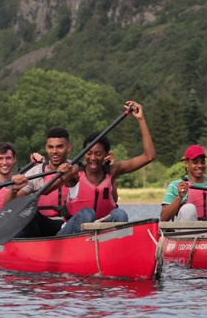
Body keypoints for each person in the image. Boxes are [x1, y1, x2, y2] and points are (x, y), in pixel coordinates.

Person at [54, 100, 155, 235]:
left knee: (120, 214)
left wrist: (141, 119)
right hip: (70, 235)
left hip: (100, 234)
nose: (93, 158)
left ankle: (115, 246)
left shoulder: (113, 170)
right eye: (89, 153)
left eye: (98, 154)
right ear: (84, 153)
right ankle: (83, 248)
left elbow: (149, 156)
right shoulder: (75, 172)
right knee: (87, 213)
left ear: (106, 155)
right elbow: (46, 190)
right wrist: (59, 174)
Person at [4, 127, 74, 237]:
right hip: (42, 226)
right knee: (27, 210)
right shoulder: (35, 173)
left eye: (59, 147)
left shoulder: (76, 170)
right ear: (46, 148)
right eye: (51, 147)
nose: (54, 151)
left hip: (69, 225)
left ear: (69, 148)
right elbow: (8, 205)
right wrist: (14, 189)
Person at [0, 142, 42, 220]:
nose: (5, 162)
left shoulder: (24, 180)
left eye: (8, 158)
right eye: (0, 158)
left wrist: (40, 167)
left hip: (20, 227)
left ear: (14, 159)